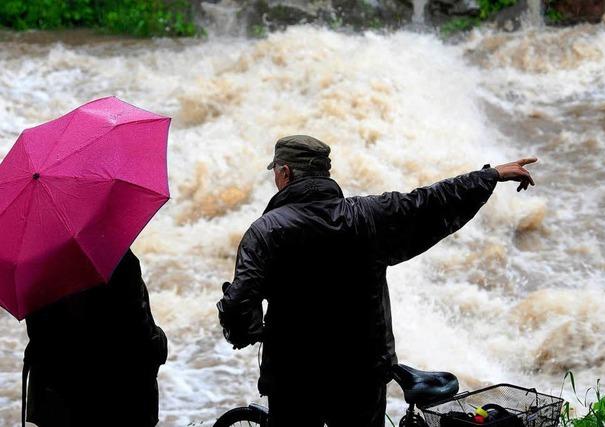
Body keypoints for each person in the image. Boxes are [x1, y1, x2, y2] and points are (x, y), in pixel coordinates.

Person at [217, 135, 536, 427]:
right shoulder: (369, 216)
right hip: (362, 373)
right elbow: (429, 203)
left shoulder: (265, 232)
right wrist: (490, 176)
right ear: (325, 174)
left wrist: (246, 332)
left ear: (284, 173)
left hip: (294, 376)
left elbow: (239, 303)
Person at [23, 249, 167, 427]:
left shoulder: (31, 268)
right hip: (118, 401)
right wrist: (161, 340)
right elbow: (141, 341)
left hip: (57, 402)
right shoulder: (116, 260)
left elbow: (40, 341)